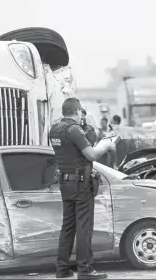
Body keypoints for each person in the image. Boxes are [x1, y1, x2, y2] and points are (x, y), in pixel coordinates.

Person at [49, 98, 115, 279]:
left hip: (65, 183)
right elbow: (91, 155)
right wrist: (105, 145)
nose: (81, 115)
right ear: (77, 111)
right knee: (84, 228)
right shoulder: (75, 130)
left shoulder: (54, 129)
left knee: (68, 227)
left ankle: (62, 269)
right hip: (80, 185)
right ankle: (85, 270)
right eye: (81, 112)